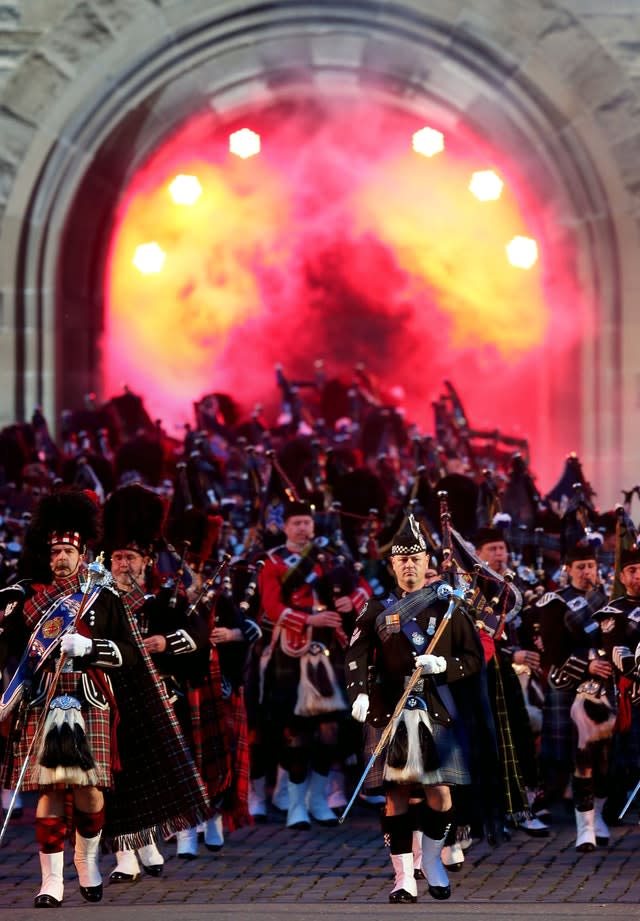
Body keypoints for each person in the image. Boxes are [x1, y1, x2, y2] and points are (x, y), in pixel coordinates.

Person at [0, 488, 209, 907]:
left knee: (91, 791)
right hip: (44, 700)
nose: (60, 558)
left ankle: (87, 861)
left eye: (67, 551)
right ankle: (51, 882)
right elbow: (12, 653)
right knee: (52, 791)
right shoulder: (26, 599)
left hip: (91, 700)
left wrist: (90, 649)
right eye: (55, 550)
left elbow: (130, 654)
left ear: (82, 554)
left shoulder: (103, 597)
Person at [346, 514, 484, 903]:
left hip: (435, 705)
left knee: (441, 795)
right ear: (392, 564)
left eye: (416, 558)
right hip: (389, 708)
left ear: (428, 563)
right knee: (397, 794)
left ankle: (434, 861)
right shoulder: (376, 608)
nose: (409, 565)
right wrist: (359, 693)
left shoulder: (450, 608)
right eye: (402, 559)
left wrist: (444, 666)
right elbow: (355, 653)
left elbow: (473, 659)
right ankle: (403, 877)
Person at [255, 499, 371, 829]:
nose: (303, 528)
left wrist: (351, 601)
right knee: (297, 731)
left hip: (330, 651)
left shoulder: (331, 559)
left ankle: (319, 800)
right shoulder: (273, 562)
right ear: (285, 527)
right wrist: (312, 618)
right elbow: (272, 607)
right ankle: (295, 805)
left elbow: (360, 588)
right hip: (292, 650)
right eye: (297, 524)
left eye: (307, 522)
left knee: (331, 731)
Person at [527, 542, 611, 850]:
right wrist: (588, 662)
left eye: (590, 566)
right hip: (569, 686)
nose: (587, 572)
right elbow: (552, 652)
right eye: (581, 567)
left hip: (604, 689)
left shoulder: (607, 599)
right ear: (568, 570)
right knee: (575, 759)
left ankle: (598, 817)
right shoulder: (556, 602)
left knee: (603, 760)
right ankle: (578, 823)